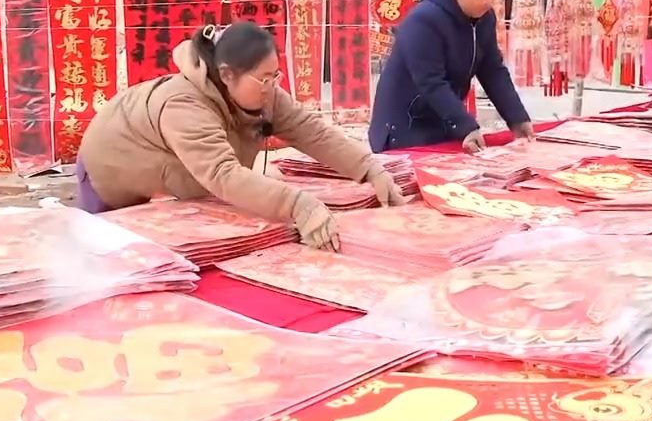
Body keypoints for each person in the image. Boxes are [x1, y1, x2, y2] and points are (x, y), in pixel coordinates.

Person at [76, 21, 406, 251]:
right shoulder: (183, 105)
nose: (271, 87)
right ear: (227, 75)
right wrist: (298, 205)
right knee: (110, 256)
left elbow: (311, 131)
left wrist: (368, 168)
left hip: (166, 175)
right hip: (109, 168)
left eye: (275, 75)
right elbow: (223, 174)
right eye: (263, 78)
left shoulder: (265, 93)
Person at [369, 0, 533, 154]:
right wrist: (465, 126)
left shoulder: (484, 19)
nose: (489, 3)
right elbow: (430, 81)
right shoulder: (424, 20)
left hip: (442, 119)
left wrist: (516, 117)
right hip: (405, 127)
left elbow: (493, 70)